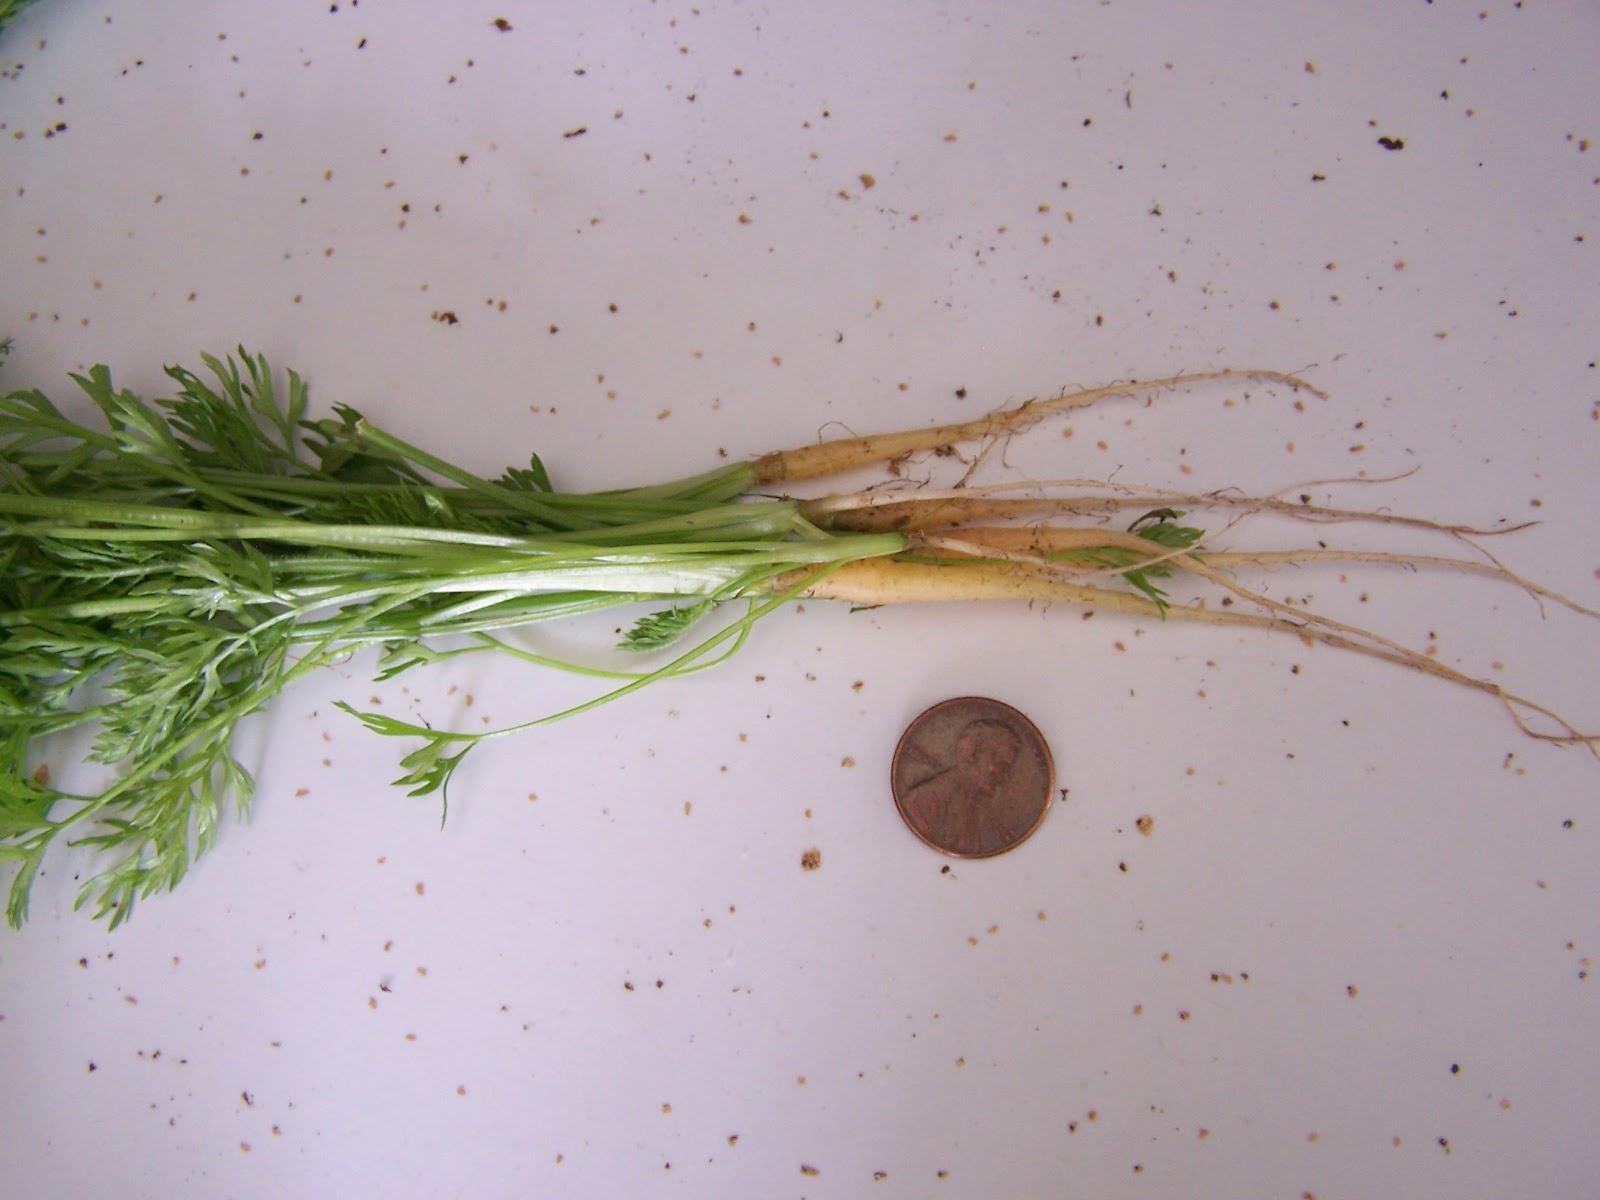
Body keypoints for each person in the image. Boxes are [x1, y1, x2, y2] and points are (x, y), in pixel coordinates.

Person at [900, 718, 1024, 854]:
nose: (1004, 778)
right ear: (972, 755)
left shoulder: (970, 806)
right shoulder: (922, 802)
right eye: (1001, 766)